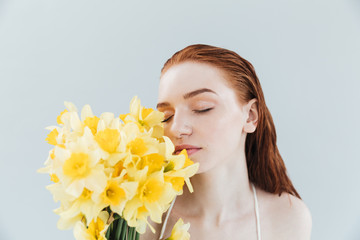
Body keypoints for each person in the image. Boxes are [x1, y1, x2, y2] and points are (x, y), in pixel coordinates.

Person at [143, 44, 312, 240]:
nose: (176, 128)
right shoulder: (141, 220)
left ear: (250, 116)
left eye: (202, 108)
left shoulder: (288, 218)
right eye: (166, 116)